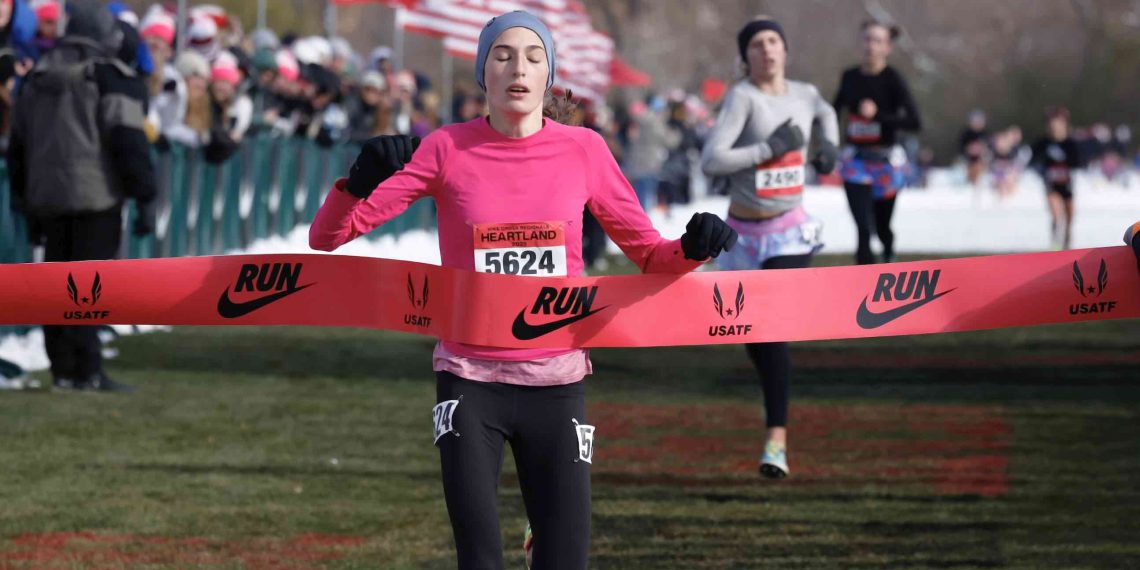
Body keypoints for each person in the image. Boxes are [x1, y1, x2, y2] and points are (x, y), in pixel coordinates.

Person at [309, 11, 736, 569]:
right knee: (480, 559)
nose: (518, 67)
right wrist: (356, 182)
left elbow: (653, 257)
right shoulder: (446, 148)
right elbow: (328, 236)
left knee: (566, 561)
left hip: (556, 383)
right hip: (469, 379)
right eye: (503, 54)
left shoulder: (583, 150)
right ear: (483, 71)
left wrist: (695, 248)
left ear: (548, 75)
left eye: (534, 56)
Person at [700, 17, 839, 480]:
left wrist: (830, 149)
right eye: (757, 45)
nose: (767, 50)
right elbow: (712, 159)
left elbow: (826, 114)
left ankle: (775, 441)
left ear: (786, 49)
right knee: (757, 340)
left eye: (774, 41)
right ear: (747, 57)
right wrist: (769, 147)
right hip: (742, 235)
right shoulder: (743, 98)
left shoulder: (806, 94)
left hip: (790, 229)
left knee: (774, 330)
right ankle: (772, 399)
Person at [6, 0, 156, 392]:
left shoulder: (37, 73)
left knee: (56, 287)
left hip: (46, 198)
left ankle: (62, 370)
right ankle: (89, 370)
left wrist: (23, 200)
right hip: (96, 195)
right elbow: (127, 139)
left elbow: (18, 145)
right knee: (90, 288)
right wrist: (145, 195)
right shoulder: (107, 75)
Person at [833, 20, 922, 264]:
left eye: (878, 41)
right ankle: (864, 281)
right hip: (856, 161)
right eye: (867, 39)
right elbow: (833, 112)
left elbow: (915, 122)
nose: (871, 45)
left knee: (882, 226)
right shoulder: (849, 76)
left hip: (885, 161)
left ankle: (888, 250)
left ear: (887, 48)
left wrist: (878, 116)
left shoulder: (893, 79)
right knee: (862, 227)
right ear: (860, 42)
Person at [1030, 107, 1081, 250]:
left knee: (1069, 219)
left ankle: (1067, 245)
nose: (1054, 128)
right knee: (1057, 216)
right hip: (1051, 186)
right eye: (1052, 125)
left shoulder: (1071, 144)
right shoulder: (1043, 143)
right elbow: (1031, 160)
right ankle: (1055, 246)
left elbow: (1077, 164)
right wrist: (1041, 171)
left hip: (1067, 185)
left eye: (1058, 124)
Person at [959, 109, 989, 187]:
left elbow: (989, 148)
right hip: (969, 160)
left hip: (982, 159)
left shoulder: (985, 134)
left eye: (979, 121)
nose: (977, 124)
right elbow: (961, 149)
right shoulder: (966, 134)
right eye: (975, 121)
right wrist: (969, 150)